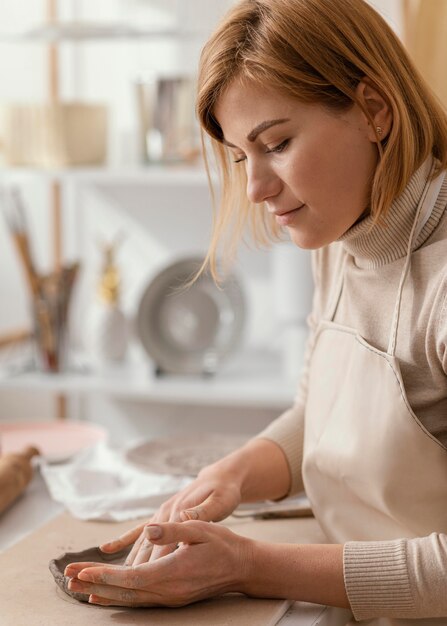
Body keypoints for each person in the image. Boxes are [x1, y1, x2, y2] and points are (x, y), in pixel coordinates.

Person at [64, 0, 447, 621]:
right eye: (242, 156)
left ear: (375, 111)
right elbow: (321, 416)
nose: (256, 188)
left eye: (278, 143)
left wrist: (249, 565)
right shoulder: (343, 230)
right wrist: (234, 474)